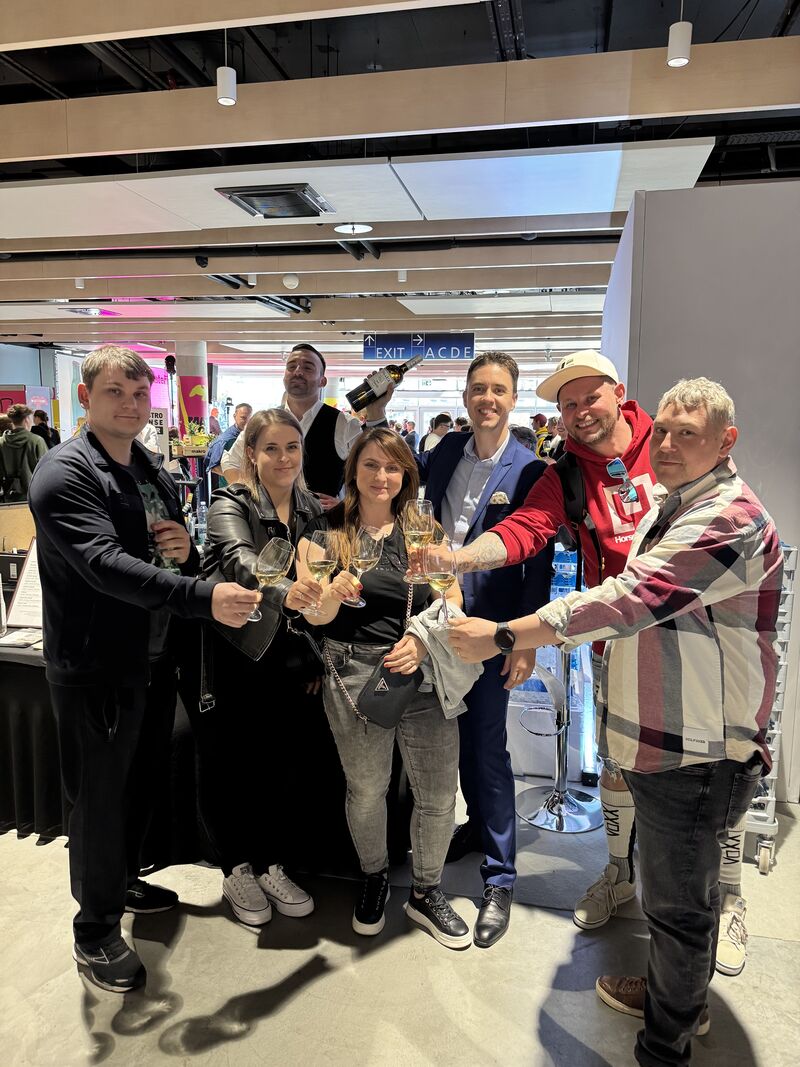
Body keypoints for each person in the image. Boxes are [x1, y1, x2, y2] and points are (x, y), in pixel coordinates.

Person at [448, 377, 782, 1067]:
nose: (668, 444)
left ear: (726, 441)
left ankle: (665, 1043)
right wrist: (465, 557)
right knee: (670, 894)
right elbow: (535, 530)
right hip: (661, 732)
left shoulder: (728, 516)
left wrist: (506, 634)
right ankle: (673, 998)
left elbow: (628, 599)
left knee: (680, 908)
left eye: (688, 434)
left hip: (698, 747)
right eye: (665, 431)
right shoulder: (667, 499)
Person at [27, 345, 260, 994]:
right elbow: (104, 564)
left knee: (136, 788)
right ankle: (95, 929)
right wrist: (202, 595)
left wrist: (185, 551)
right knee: (99, 802)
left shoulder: (147, 463)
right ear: (84, 397)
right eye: (115, 393)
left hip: (154, 658)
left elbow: (165, 543)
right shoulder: (63, 473)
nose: (130, 405)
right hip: (97, 665)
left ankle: (122, 879)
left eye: (138, 394)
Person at [296, 429, 471, 949]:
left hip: (421, 670)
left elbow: (453, 599)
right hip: (353, 675)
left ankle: (426, 891)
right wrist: (331, 592)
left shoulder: (423, 529)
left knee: (438, 793)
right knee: (367, 789)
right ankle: (373, 877)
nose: (381, 476)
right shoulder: (324, 532)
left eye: (392, 467)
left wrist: (421, 639)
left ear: (406, 476)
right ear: (353, 469)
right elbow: (315, 615)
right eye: (371, 465)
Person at [414, 352, 553, 947]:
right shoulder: (446, 451)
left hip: (494, 628)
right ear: (466, 397)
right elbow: (408, 497)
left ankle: (500, 878)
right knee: (449, 741)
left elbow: (537, 560)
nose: (486, 399)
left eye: (498, 390)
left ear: (513, 399)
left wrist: (525, 640)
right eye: (478, 389)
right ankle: (473, 827)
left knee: (488, 749)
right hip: (437, 621)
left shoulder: (531, 470)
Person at [198, 408, 324, 927]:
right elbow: (239, 559)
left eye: (292, 447)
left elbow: (322, 579)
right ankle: (236, 868)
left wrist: (314, 654)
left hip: (291, 658)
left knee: (282, 765)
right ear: (251, 453)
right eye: (271, 448)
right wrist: (284, 588)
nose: (283, 458)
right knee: (234, 765)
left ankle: (272, 863)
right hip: (239, 653)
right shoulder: (230, 501)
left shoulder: (312, 507)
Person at [222, 345, 388, 507]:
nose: (298, 371)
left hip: (323, 523)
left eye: (308, 367)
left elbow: (377, 467)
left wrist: (346, 506)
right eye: (291, 366)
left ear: (322, 381)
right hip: (270, 522)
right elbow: (230, 461)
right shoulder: (263, 422)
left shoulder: (344, 424)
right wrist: (252, 498)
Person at [0, 403, 47, 501]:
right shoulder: (36, 441)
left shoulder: (1, 442)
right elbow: (46, 471)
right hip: (34, 496)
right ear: (26, 420)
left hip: (8, 496)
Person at [206, 403, 252, 480]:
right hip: (230, 484)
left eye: (250, 419)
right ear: (234, 416)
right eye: (243, 418)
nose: (247, 422)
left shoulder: (250, 436)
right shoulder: (225, 440)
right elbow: (214, 467)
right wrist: (238, 477)